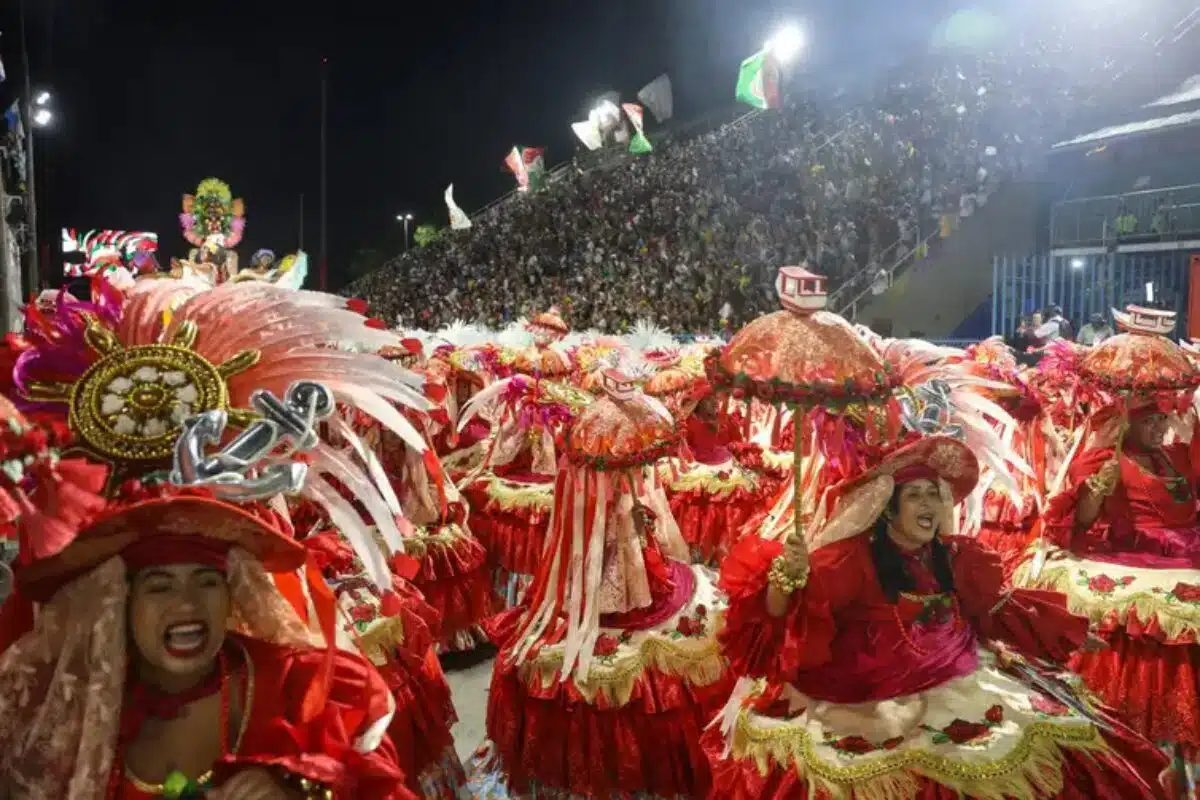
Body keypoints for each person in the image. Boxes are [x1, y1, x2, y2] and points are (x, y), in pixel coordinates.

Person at [704, 433, 1173, 798]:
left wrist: (1067, 631)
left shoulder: (955, 556)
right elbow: (780, 627)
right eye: (916, 496)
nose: (930, 506)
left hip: (959, 676)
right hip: (866, 704)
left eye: (935, 495)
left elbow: (994, 609)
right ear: (886, 508)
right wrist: (786, 580)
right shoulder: (845, 561)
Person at [0, 396, 415, 800]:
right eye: (159, 585)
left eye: (208, 581)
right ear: (119, 602)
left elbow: (376, 782)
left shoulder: (302, 689)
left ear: (235, 593)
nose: (187, 604)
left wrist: (304, 787)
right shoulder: (70, 710)